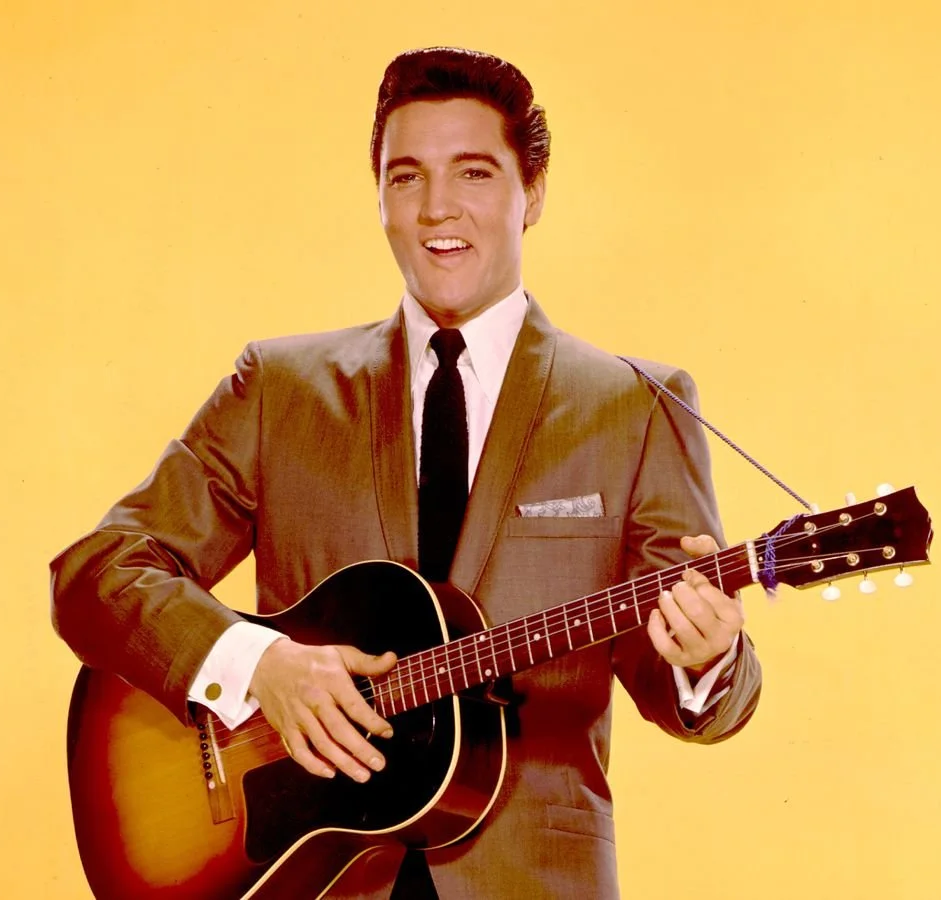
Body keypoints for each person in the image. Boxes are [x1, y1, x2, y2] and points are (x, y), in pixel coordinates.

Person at [50, 46, 762, 899]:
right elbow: (94, 574)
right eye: (406, 176)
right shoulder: (280, 390)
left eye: (474, 173)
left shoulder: (638, 407)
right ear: (379, 197)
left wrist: (706, 657)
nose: (436, 208)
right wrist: (260, 666)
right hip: (319, 883)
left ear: (533, 193)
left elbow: (687, 695)